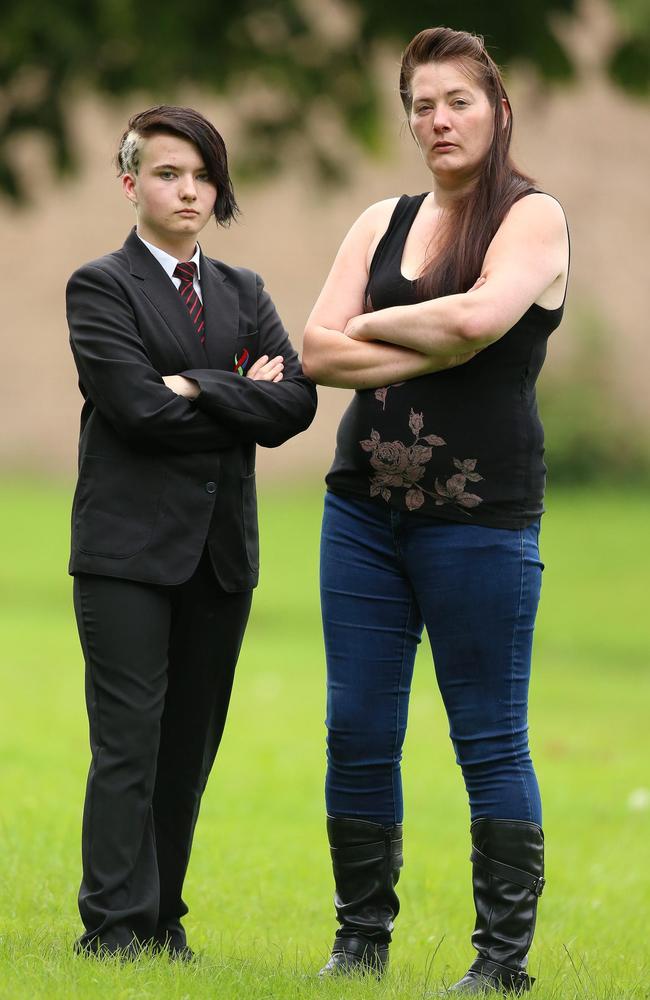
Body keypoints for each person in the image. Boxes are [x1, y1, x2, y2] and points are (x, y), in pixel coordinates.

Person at [302, 26, 569, 995]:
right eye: (420, 103)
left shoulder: (530, 219)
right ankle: (358, 945)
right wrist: (417, 338)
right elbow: (315, 352)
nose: (436, 119)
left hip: (480, 518)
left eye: (455, 99)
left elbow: (473, 320)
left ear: (496, 109)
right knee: (355, 729)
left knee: (487, 736)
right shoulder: (381, 217)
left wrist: (368, 327)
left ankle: (499, 966)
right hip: (361, 517)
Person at [66, 105, 317, 958]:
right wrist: (238, 387)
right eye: (169, 173)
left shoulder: (245, 291)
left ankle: (162, 920)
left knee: (188, 754)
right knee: (129, 745)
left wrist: (195, 387)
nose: (189, 189)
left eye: (203, 175)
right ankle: (112, 928)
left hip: (220, 555)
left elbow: (296, 405)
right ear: (131, 182)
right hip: (127, 558)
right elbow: (134, 407)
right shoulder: (99, 286)